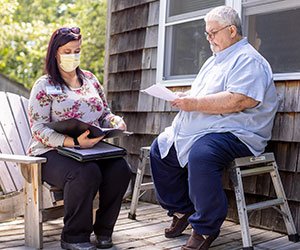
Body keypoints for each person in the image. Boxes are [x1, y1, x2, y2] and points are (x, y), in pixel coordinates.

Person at [150, 6, 278, 250]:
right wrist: (184, 97)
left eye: (212, 33)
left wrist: (194, 103)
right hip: (207, 128)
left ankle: (205, 228)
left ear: (231, 31)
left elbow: (240, 100)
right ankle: (181, 209)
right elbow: (204, 95)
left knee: (202, 154)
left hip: (238, 132)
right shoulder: (214, 60)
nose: (208, 38)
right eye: (206, 33)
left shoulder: (248, 59)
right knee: (161, 148)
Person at [27, 27, 131, 250]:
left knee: (121, 169)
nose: (72, 55)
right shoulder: (44, 85)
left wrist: (114, 121)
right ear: (55, 52)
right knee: (85, 171)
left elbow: (104, 113)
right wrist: (72, 142)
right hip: (51, 153)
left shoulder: (91, 80)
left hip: (90, 150)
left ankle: (104, 230)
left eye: (77, 50)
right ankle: (74, 237)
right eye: (67, 51)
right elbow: (37, 128)